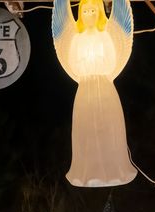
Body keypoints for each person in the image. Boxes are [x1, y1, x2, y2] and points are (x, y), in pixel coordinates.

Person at [51, 0, 136, 187]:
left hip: (105, 87)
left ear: (99, 13)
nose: (89, 14)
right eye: (86, 11)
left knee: (108, 126)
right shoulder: (76, 38)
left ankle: (115, 168)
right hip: (85, 91)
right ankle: (86, 170)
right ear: (81, 14)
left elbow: (112, 58)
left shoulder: (106, 36)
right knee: (86, 129)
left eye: (92, 11)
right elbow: (72, 59)